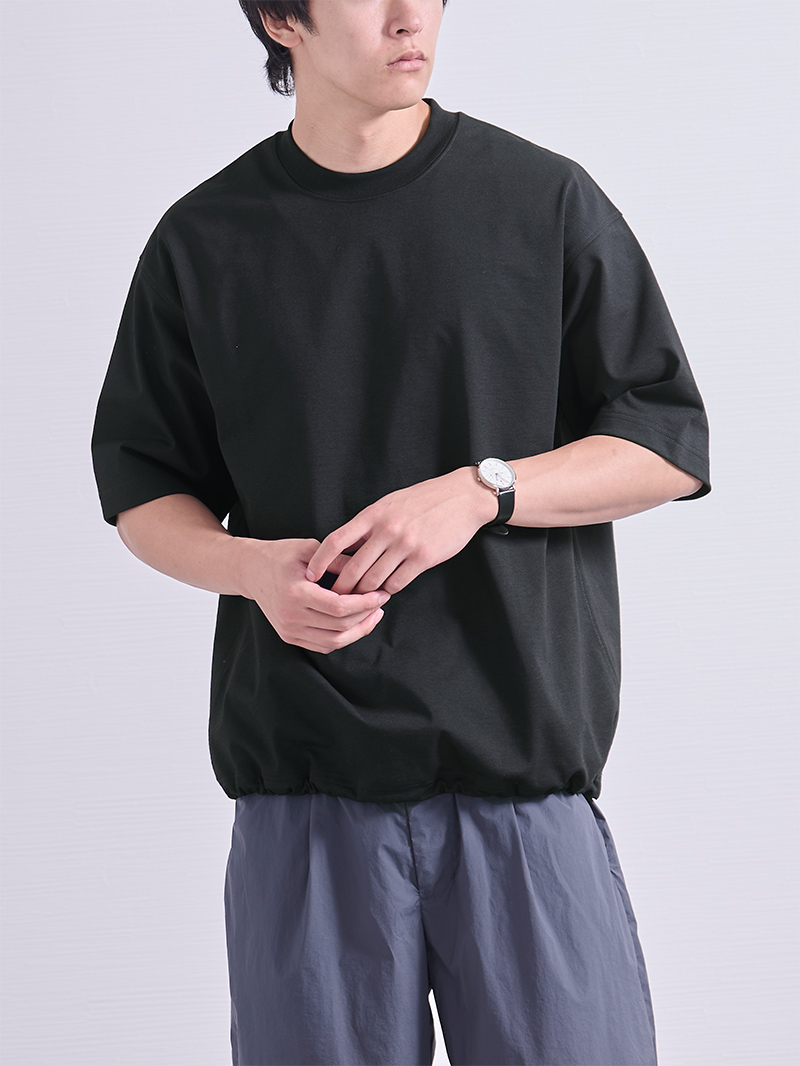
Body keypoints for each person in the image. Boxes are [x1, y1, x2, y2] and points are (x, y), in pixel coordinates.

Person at [91, 1, 711, 1063]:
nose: (408, 15)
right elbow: (142, 488)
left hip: (519, 793)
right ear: (281, 19)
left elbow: (665, 443)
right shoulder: (206, 240)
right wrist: (251, 570)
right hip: (306, 800)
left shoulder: (541, 202)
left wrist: (484, 490)